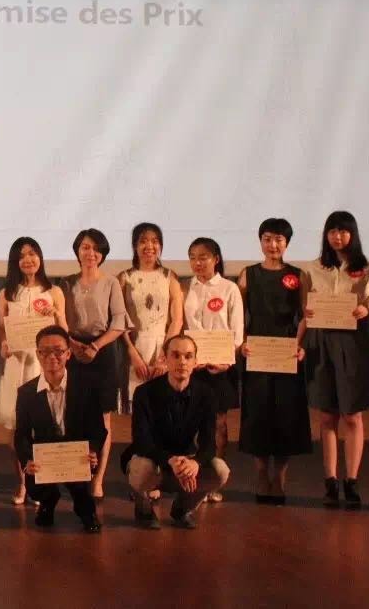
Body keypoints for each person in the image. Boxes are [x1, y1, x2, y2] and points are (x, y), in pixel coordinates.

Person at [305, 210, 369, 509]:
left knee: (352, 415)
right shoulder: (314, 268)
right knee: (327, 416)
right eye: (332, 231)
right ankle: (330, 481)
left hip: (352, 343)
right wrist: (308, 312)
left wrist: (365, 310)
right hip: (321, 342)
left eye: (343, 231)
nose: (337, 237)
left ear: (353, 234)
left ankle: (352, 480)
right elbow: (306, 307)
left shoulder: (367, 268)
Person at [122, 333, 231, 529]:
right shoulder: (144, 393)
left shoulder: (206, 394)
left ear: (195, 362)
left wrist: (195, 463)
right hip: (154, 460)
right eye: (176, 355)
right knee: (142, 468)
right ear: (165, 359)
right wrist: (170, 460)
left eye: (188, 356)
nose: (182, 361)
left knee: (220, 471)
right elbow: (141, 442)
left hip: (184, 460)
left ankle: (182, 509)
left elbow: (209, 444)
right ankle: (143, 507)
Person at [237, 218, 311, 504]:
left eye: (279, 239)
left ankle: (279, 476)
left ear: (287, 243)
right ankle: (260, 474)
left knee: (286, 415)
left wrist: (299, 344)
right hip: (256, 352)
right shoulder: (248, 275)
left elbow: (306, 314)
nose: (273, 245)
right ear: (260, 241)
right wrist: (243, 342)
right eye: (267, 239)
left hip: (287, 353)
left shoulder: (298, 275)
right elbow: (238, 315)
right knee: (257, 415)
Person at [0, 236, 67, 504]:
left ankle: (42, 482)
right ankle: (22, 482)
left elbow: (65, 331)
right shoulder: (6, 293)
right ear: (15, 261)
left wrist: (55, 314)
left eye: (32, 254)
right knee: (16, 429)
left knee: (45, 425)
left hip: (44, 365)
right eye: (22, 255)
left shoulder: (54, 291)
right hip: (17, 364)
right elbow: (1, 332)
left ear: (40, 258)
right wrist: (4, 345)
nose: (28, 259)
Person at [14, 325, 105, 533]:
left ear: (68, 354)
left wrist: (92, 450)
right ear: (38, 354)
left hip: (76, 454)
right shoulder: (26, 392)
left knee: (82, 489)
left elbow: (98, 428)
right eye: (45, 351)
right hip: (45, 457)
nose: (51, 357)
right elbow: (21, 434)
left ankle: (86, 510)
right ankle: (48, 501)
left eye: (58, 351)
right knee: (35, 486)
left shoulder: (87, 387)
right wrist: (27, 460)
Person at [61, 228, 128, 498]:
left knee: (103, 419)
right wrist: (73, 345)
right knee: (74, 415)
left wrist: (95, 347)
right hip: (73, 351)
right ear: (77, 251)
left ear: (103, 254)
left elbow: (119, 323)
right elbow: (59, 319)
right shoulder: (66, 282)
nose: (91, 253)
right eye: (85, 247)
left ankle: (98, 479)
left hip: (103, 351)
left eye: (96, 249)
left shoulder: (111, 282)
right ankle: (77, 475)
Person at [182, 237, 243, 504]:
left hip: (220, 367)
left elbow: (237, 331)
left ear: (216, 259)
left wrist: (226, 361)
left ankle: (212, 482)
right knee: (189, 423)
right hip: (190, 367)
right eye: (193, 257)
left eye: (203, 257)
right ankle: (190, 479)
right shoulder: (186, 288)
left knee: (218, 423)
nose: (198, 262)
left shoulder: (229, 288)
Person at [118, 222, 184, 411]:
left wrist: (164, 356)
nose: (149, 246)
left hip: (163, 346)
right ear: (135, 246)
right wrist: (133, 354)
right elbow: (119, 320)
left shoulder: (169, 276)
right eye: (143, 241)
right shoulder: (124, 277)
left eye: (155, 241)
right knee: (138, 408)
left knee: (165, 406)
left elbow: (177, 320)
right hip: (134, 348)